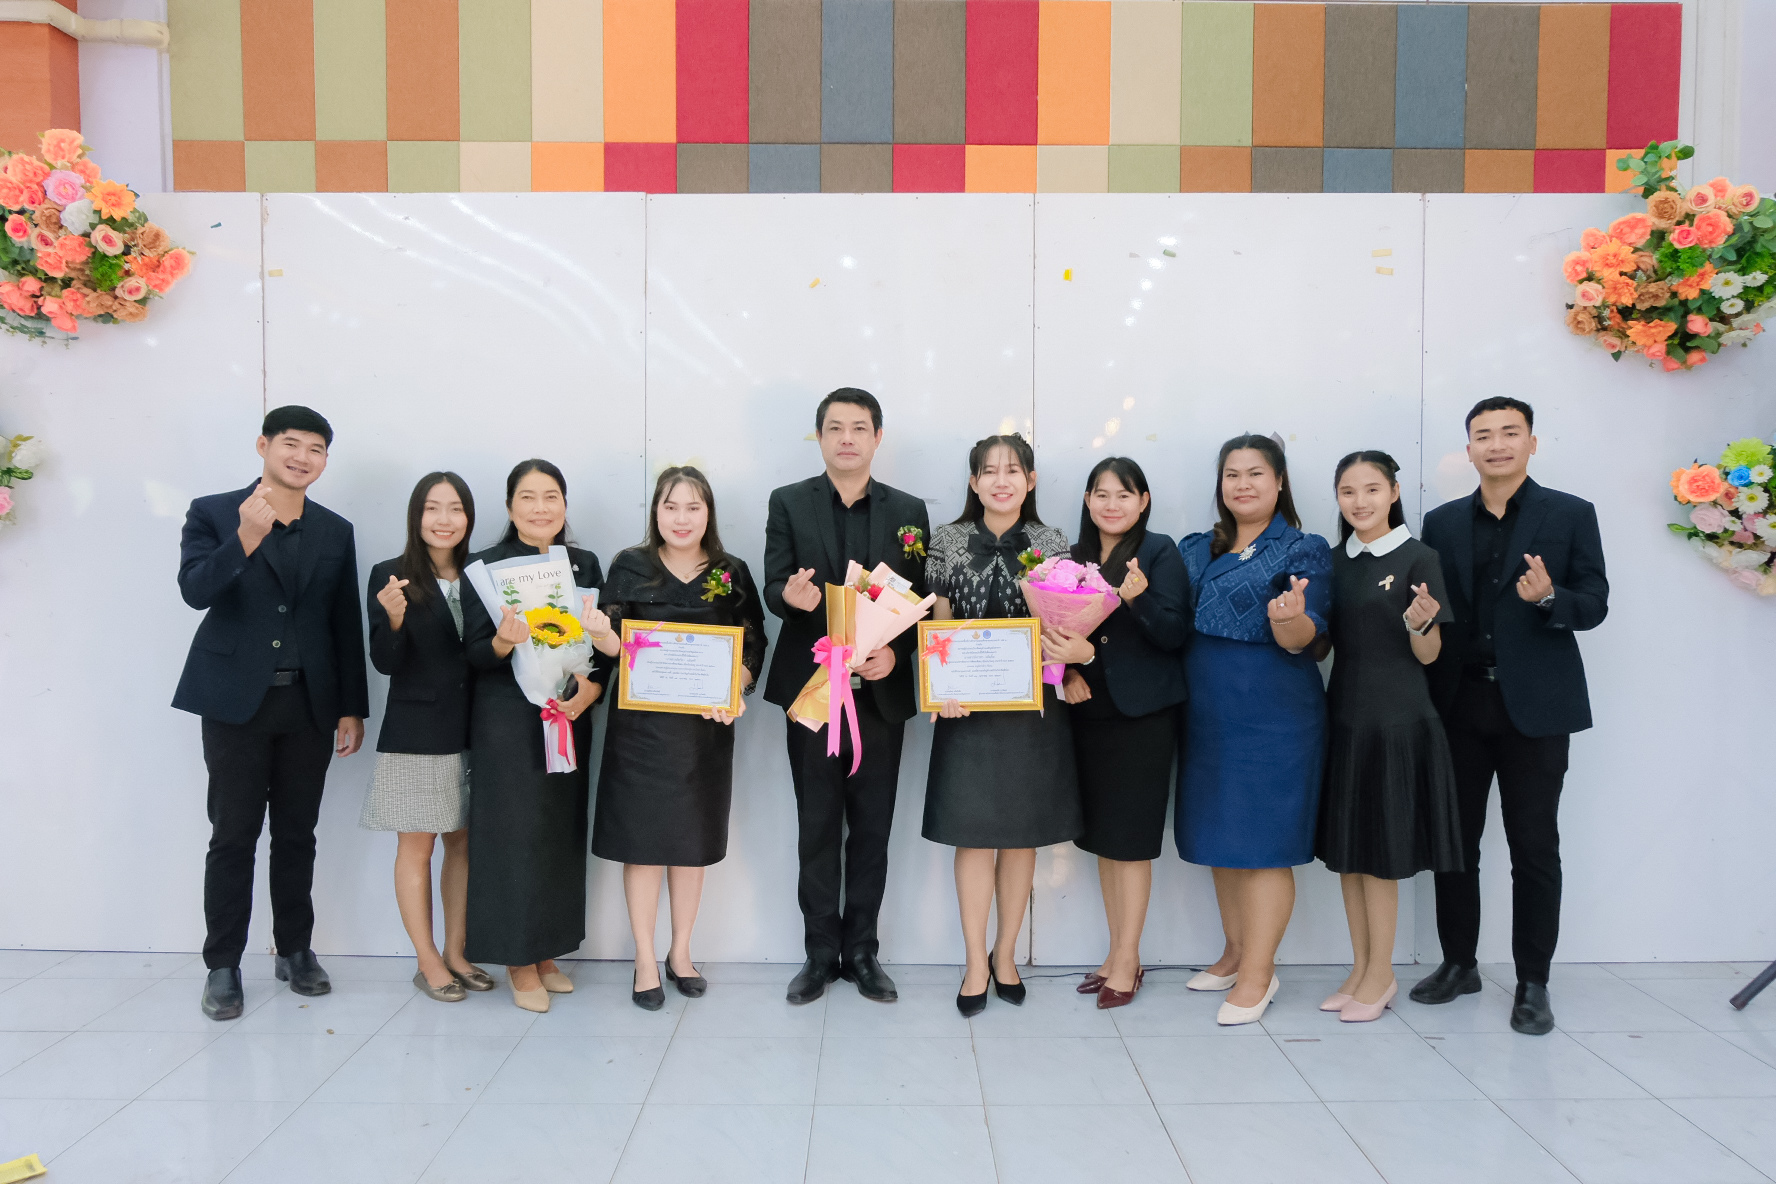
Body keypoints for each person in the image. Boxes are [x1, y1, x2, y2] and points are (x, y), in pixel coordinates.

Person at [1409, 397, 1608, 1036]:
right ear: (1468, 448)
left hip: (1537, 708)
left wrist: (1550, 598)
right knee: (1455, 843)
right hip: (1460, 702)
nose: (1496, 444)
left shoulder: (1571, 513)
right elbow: (1432, 607)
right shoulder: (1441, 523)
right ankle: (1459, 964)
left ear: (1531, 443)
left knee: (1534, 846)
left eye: (1509, 433)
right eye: (1483, 435)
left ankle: (1533, 983)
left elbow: (1595, 602)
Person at [173, 405, 369, 1021]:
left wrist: (351, 707)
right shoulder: (213, 512)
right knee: (233, 835)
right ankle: (223, 965)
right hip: (235, 703)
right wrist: (245, 539)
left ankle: (295, 950)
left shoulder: (334, 530)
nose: (302, 457)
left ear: (325, 460)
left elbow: (344, 622)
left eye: (316, 449)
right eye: (291, 444)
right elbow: (194, 591)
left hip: (308, 705)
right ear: (263, 446)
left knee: (297, 834)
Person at [762, 388, 931, 1006]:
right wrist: (789, 598)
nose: (847, 439)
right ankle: (818, 954)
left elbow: (919, 599)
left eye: (859, 428)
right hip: (812, 691)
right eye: (835, 428)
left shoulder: (909, 511)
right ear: (819, 437)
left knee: (873, 828)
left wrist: (898, 655)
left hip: (878, 697)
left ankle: (862, 952)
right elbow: (773, 583)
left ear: (878, 437)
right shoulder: (788, 501)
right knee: (816, 824)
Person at [587, 467, 767, 1010]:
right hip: (640, 734)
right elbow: (612, 647)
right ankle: (644, 958)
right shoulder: (629, 565)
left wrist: (735, 686)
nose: (681, 518)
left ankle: (681, 952)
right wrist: (601, 634)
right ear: (656, 512)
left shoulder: (731, 571)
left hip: (702, 733)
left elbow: (753, 643)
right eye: (671, 507)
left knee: (691, 847)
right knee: (643, 848)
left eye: (693, 507)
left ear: (708, 513)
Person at [923, 434, 1083, 1017]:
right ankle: (973, 961)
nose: (1000, 480)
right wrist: (940, 689)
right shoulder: (945, 540)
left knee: (1020, 838)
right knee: (971, 835)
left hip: (1031, 709)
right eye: (988, 471)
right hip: (965, 710)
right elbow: (938, 622)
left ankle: (1006, 955)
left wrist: (1065, 666)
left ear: (1030, 481)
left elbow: (1063, 621)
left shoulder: (1052, 542)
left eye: (1012, 470)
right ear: (973, 481)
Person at [1176, 434, 1331, 1026]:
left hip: (1272, 714)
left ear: (1280, 481)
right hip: (1207, 710)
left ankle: (1260, 973)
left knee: (1264, 845)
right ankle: (1236, 953)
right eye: (1232, 474)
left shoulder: (1303, 548)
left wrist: (1289, 621)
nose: (1242, 484)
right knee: (1223, 837)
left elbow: (1309, 639)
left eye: (1256, 473)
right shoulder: (1197, 547)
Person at [1315, 452, 1463, 1023]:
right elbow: (1323, 644)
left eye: (1372, 489)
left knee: (1380, 857)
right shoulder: (1335, 561)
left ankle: (1382, 974)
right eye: (1348, 491)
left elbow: (1429, 654)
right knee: (1350, 856)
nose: (1360, 502)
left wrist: (1420, 622)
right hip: (1345, 719)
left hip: (1398, 722)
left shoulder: (1419, 557)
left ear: (1394, 492)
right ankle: (1360, 969)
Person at [460, 459, 607, 1013]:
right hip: (507, 719)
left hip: (566, 713)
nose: (540, 508)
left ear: (565, 505)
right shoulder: (485, 567)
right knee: (512, 835)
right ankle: (517, 961)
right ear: (509, 507)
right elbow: (474, 654)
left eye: (551, 497)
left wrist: (591, 689)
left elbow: (601, 640)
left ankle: (546, 951)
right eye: (527, 497)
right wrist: (503, 641)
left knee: (556, 833)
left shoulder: (584, 563)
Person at [1058, 458, 1190, 1010]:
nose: (1112, 504)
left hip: (1142, 718)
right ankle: (1115, 954)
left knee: (1130, 844)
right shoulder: (1071, 559)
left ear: (1144, 501)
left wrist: (1137, 597)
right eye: (1102, 494)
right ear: (1087, 500)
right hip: (1089, 715)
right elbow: (1055, 632)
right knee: (1105, 841)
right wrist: (1067, 672)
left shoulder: (1159, 551)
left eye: (1124, 494)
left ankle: (1129, 960)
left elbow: (1174, 633)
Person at [360, 472, 494, 1003]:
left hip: (478, 728)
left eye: (455, 508)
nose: (444, 519)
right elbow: (384, 662)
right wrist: (392, 620)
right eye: (432, 508)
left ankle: (457, 952)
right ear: (416, 516)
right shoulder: (390, 575)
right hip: (417, 732)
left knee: (463, 844)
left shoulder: (484, 575)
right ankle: (427, 960)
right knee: (417, 847)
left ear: (468, 517)